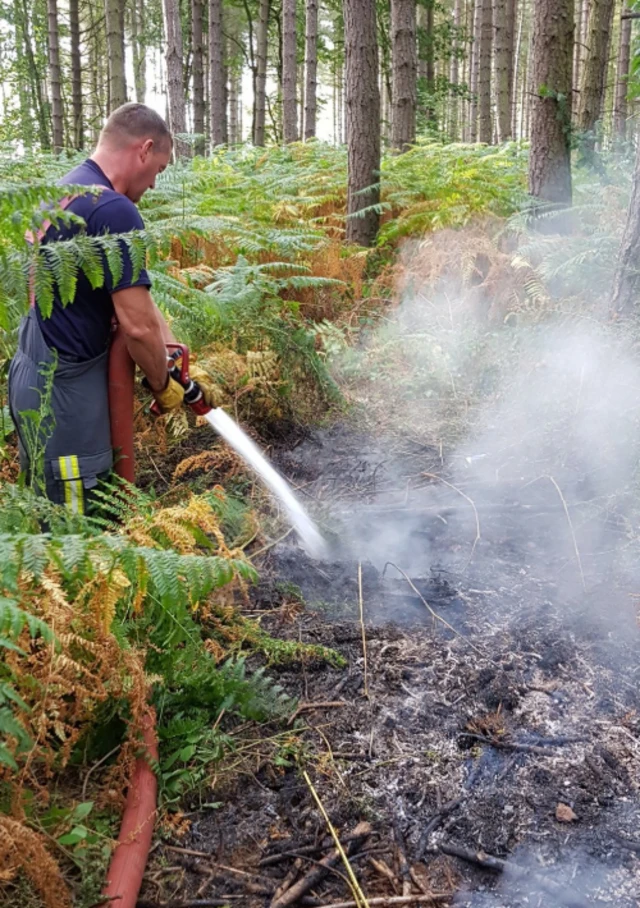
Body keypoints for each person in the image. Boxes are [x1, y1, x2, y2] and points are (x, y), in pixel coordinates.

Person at [8, 102, 218, 512]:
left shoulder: (67, 191)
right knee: (77, 527)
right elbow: (137, 329)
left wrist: (172, 355)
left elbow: (137, 302)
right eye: (159, 169)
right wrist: (162, 386)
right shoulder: (115, 211)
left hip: (35, 375)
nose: (156, 184)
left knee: (54, 517)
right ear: (145, 148)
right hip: (65, 395)